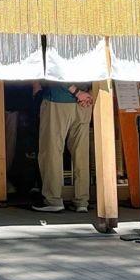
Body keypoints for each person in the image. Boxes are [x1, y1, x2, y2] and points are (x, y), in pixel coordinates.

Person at [33, 80, 94, 212]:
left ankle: (53, 200)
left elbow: (56, 72)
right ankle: (82, 201)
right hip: (84, 103)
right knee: (81, 153)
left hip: (57, 100)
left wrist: (77, 92)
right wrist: (89, 94)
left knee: (52, 151)